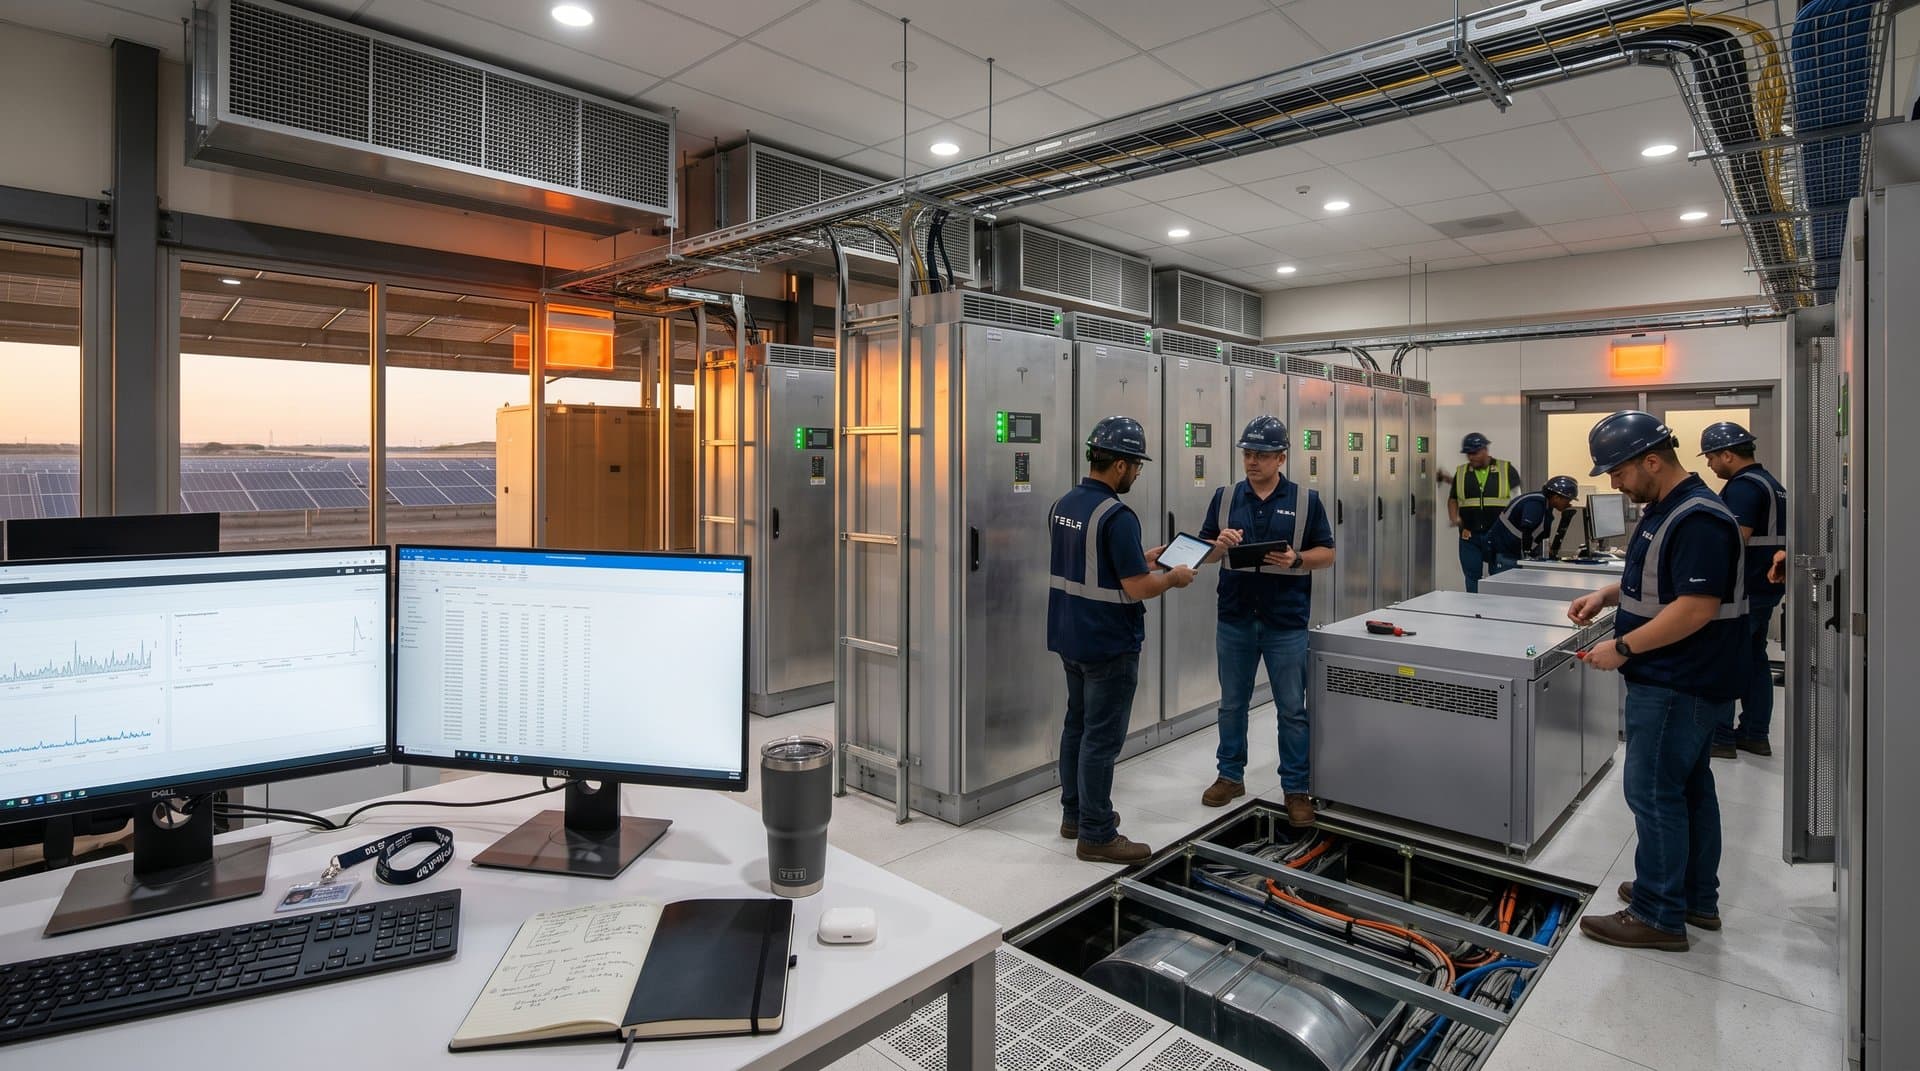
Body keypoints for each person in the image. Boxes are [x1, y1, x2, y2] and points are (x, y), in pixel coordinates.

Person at [1568, 411, 1746, 952]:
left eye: (1618, 473)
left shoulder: (1696, 518)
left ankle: (1658, 911)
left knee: (1651, 792)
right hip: (1679, 679)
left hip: (1678, 681)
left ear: (1652, 460)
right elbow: (1658, 586)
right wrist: (1605, 596)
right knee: (1688, 789)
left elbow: (1693, 609)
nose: (1615, 484)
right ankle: (1691, 895)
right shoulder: (1663, 511)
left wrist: (1622, 648)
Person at [1047, 415, 1195, 863]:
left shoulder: (1064, 505)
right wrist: (1173, 577)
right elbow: (1136, 588)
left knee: (1076, 726)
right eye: (1136, 466)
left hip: (1070, 635)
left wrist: (1143, 557)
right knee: (1101, 739)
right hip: (1109, 642)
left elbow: (1095, 565)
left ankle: (1073, 814)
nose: (1136, 474)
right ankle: (1096, 832)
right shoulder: (1118, 515)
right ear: (1119, 466)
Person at [1193, 415, 1336, 827]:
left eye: (1261, 455)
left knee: (1292, 709)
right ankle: (1229, 775)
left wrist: (1297, 560)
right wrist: (1216, 545)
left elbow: (1327, 553)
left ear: (1281, 458)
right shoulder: (1225, 498)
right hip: (1235, 617)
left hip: (1285, 622)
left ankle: (1295, 788)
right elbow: (1203, 552)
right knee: (1231, 704)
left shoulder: (1307, 500)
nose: (1252, 462)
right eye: (1248, 454)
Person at [1700, 421, 1787, 758]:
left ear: (1727, 454)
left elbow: (1733, 540)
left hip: (1744, 590)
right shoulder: (1773, 484)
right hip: (1764, 590)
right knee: (1754, 661)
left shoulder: (1743, 487)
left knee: (1725, 660)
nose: (1709, 464)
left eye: (1711, 457)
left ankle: (1720, 737)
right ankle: (1753, 732)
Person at [1447, 433, 1521, 592]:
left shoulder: (1506, 469)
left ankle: (1496, 613)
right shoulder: (1461, 473)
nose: (1471, 457)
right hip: (1470, 536)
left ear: (1485, 450)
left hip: (1498, 536)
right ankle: (1473, 613)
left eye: (1474, 453)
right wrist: (1454, 517)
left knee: (1500, 579)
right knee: (1472, 578)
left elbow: (1517, 500)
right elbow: (1453, 498)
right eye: (1468, 454)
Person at [1490, 476, 1580, 567]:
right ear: (1556, 497)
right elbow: (1527, 531)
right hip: (1506, 554)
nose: (1569, 503)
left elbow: (1539, 532)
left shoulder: (1546, 505)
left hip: (1512, 552)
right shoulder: (1536, 504)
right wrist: (1527, 557)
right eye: (1568, 500)